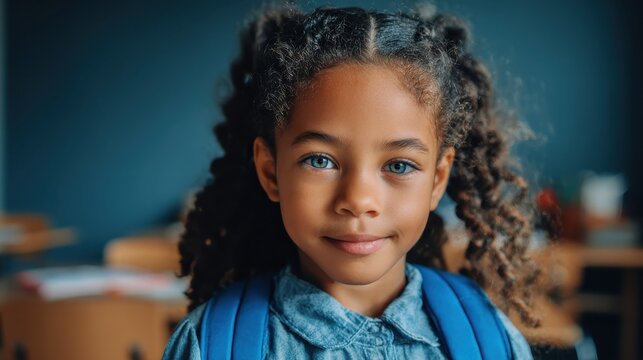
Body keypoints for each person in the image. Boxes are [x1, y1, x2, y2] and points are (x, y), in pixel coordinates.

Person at [163, 4, 541, 359]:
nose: (359, 200)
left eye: (399, 165)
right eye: (320, 160)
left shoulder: (490, 338)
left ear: (438, 179)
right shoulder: (208, 346)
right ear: (270, 171)